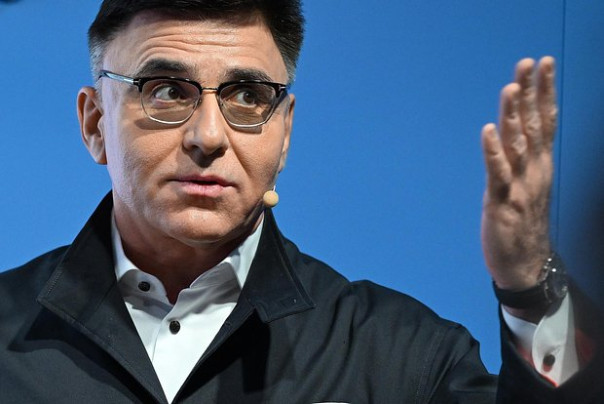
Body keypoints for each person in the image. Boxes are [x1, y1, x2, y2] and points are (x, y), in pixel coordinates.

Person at [0, 1, 602, 403]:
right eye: (165, 91)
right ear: (95, 124)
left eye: (246, 95)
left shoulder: (400, 358)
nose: (208, 136)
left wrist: (532, 289)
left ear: (284, 132)